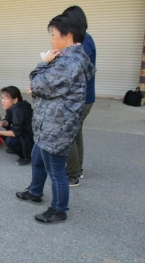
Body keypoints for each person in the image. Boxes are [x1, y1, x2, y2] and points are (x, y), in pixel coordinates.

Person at [15, 13, 96, 224]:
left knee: (56, 171)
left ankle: (59, 209)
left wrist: (43, 63)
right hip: (48, 125)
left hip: (57, 127)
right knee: (38, 158)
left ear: (67, 35)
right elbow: (48, 88)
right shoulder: (68, 57)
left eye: (53, 34)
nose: (51, 39)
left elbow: (39, 83)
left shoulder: (69, 62)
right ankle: (34, 192)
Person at [63, 6, 97, 186]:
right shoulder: (80, 41)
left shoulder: (85, 41)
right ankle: (77, 170)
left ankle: (73, 175)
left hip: (81, 99)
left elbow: (81, 71)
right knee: (76, 134)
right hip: (80, 98)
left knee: (69, 135)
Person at [0, 86, 34, 165]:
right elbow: (8, 120)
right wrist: (2, 123)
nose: (3, 101)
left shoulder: (18, 110)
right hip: (22, 132)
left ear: (15, 99)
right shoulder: (12, 107)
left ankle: (26, 156)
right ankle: (18, 148)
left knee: (9, 140)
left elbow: (16, 132)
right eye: (2, 98)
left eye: (6, 98)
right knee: (2, 133)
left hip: (29, 137)